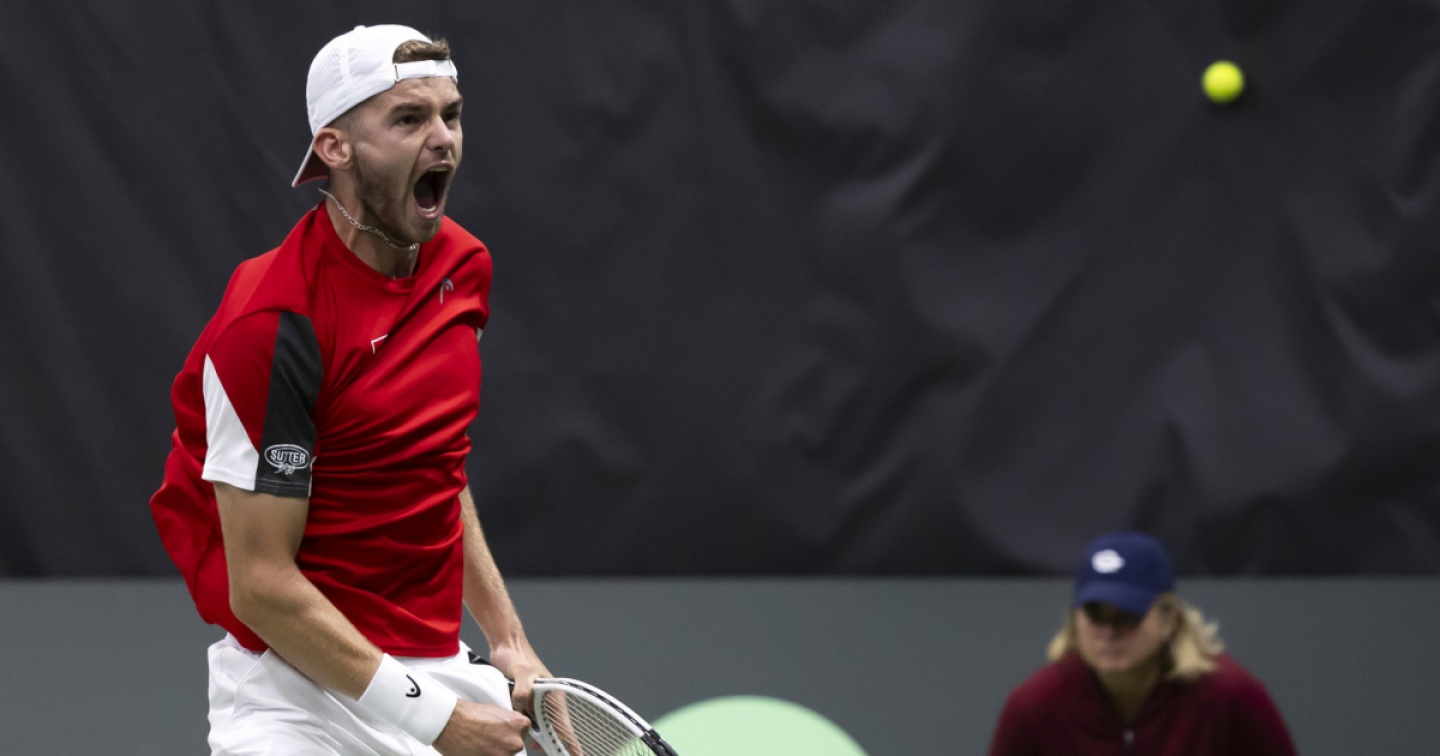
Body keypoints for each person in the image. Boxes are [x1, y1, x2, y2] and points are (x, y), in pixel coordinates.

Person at [150, 24, 544, 756]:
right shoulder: (274, 322)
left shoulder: (464, 268)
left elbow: (433, 462)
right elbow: (260, 584)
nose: (443, 139)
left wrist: (509, 639)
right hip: (294, 693)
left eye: (451, 115)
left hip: (440, 670)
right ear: (334, 147)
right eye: (409, 119)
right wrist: (439, 721)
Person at [987, 531, 1297, 756]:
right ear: (1075, 620)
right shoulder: (1034, 708)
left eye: (1127, 614)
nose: (1109, 632)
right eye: (1095, 614)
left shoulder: (1230, 697)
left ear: (1169, 619)